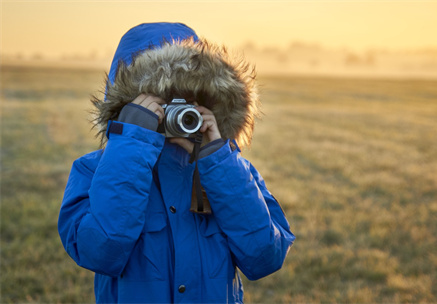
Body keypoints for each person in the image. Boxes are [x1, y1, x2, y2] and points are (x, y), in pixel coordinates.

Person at [58, 22, 295, 303]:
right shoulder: (94, 170)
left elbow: (265, 256)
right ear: (127, 105)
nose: (174, 112)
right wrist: (133, 140)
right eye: (160, 101)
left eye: (185, 99)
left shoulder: (229, 169)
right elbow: (100, 251)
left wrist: (216, 157)